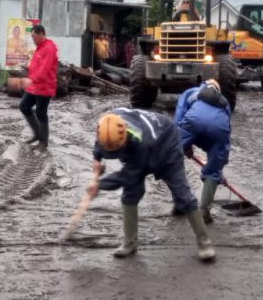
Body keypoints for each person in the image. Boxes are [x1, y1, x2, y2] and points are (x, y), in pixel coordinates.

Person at [89, 109, 215, 262]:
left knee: (183, 195)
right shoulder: (106, 125)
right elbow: (100, 144)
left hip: (166, 143)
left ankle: (204, 243)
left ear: (123, 140)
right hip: (139, 147)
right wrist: (97, 158)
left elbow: (128, 176)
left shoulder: (141, 142)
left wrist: (99, 184)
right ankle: (130, 243)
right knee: (131, 194)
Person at [175, 80, 231, 226]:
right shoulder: (224, 102)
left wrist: (184, 146)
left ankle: (180, 203)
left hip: (192, 123)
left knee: (173, 158)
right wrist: (218, 168)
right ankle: (204, 211)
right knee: (214, 169)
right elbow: (225, 131)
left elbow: (178, 119)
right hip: (219, 129)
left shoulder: (190, 92)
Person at [20, 24, 58, 149]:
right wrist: (28, 67)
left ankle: (43, 141)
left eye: (34, 37)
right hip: (35, 86)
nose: (33, 40)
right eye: (32, 37)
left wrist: (31, 79)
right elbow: (37, 66)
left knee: (41, 112)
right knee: (24, 106)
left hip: (44, 87)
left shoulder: (49, 48)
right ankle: (37, 134)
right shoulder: (40, 48)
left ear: (42, 34)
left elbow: (45, 69)